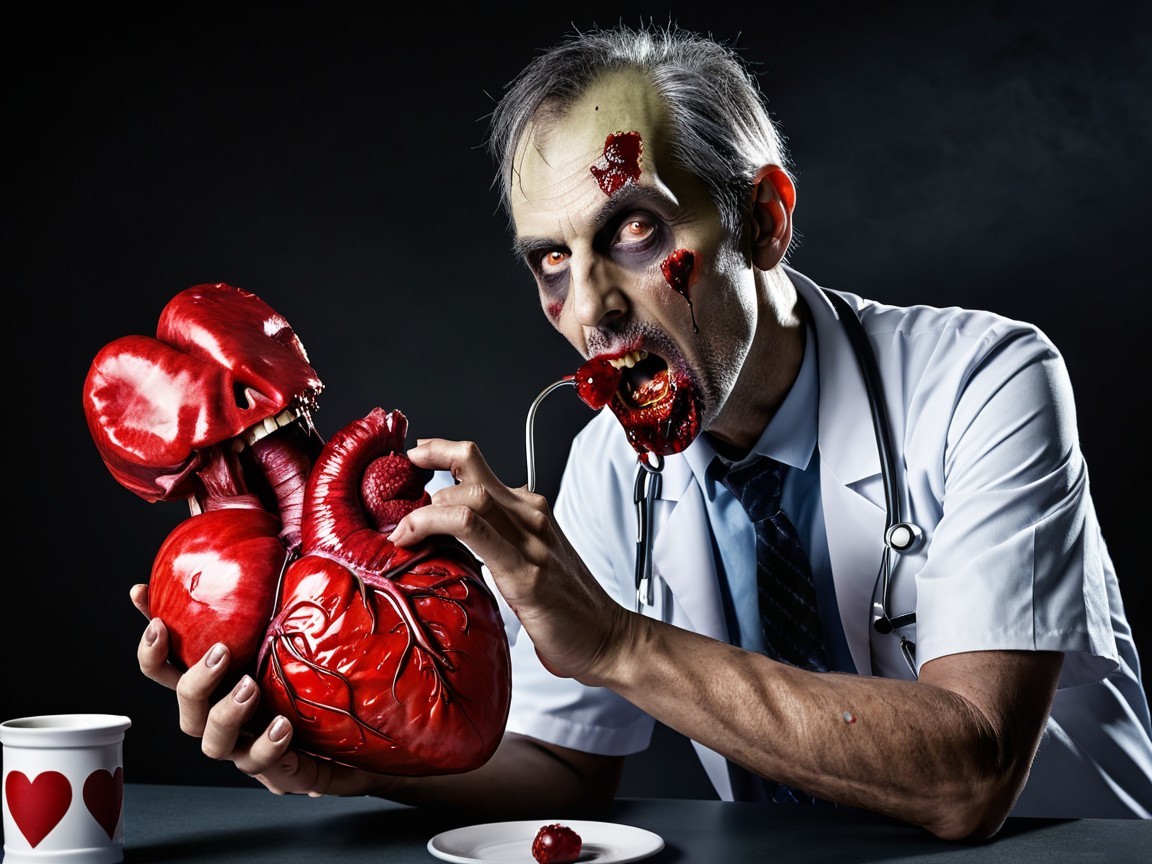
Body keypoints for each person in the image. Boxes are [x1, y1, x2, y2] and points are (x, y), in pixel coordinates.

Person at [130, 21, 1152, 840]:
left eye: (633, 230)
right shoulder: (610, 463)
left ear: (765, 220)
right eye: (550, 262)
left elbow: (970, 775)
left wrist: (616, 641)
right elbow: (560, 766)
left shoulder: (986, 381)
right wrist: (352, 761)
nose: (590, 312)